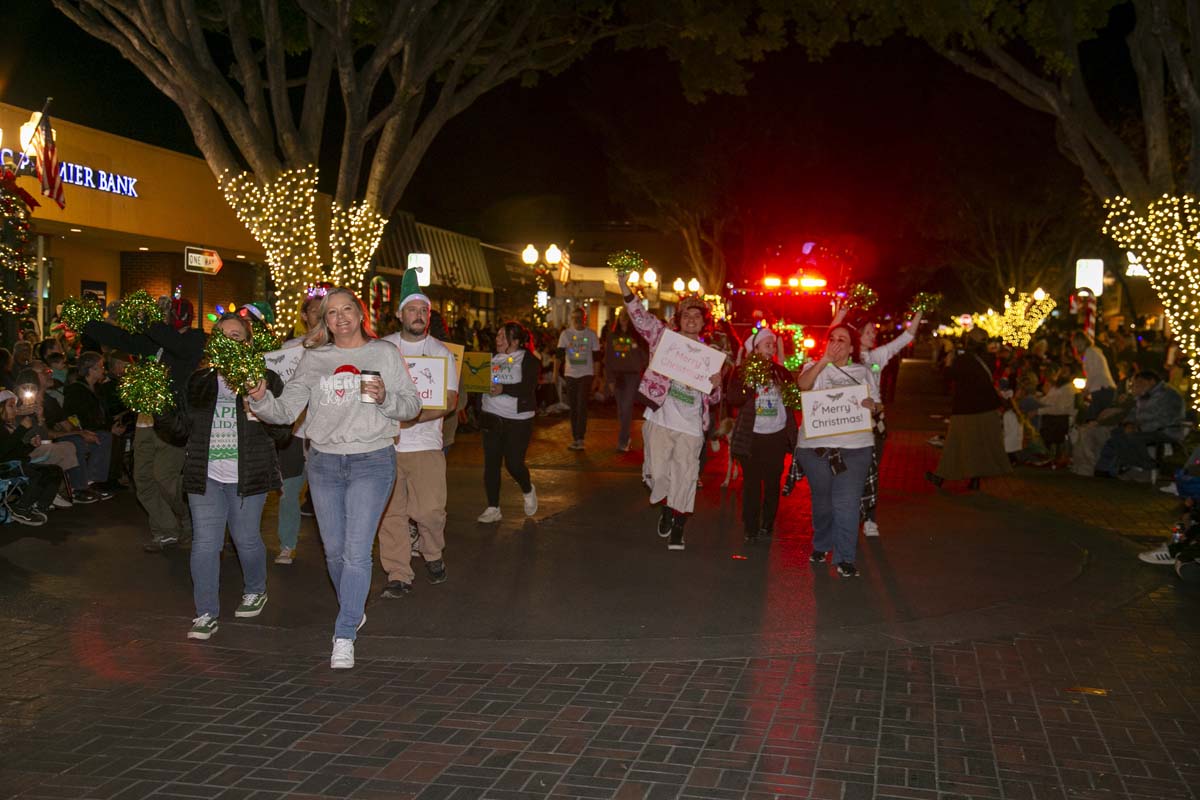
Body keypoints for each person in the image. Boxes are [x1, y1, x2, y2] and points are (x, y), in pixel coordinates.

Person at [249, 288, 421, 669]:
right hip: (324, 464)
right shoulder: (314, 358)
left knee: (357, 551)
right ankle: (353, 607)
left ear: (360, 314)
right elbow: (285, 411)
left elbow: (412, 405)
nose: (340, 318)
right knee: (334, 551)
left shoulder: (384, 354)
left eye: (347, 310)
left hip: (372, 461)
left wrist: (385, 398)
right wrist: (260, 399)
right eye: (332, 312)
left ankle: (344, 634)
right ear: (324, 320)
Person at [155, 313, 290, 641]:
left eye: (235, 335)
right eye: (221, 335)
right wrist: (159, 407)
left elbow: (283, 433)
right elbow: (180, 430)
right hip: (206, 476)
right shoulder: (199, 381)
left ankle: (255, 589)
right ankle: (205, 612)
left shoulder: (266, 378)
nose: (228, 341)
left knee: (246, 539)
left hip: (249, 475)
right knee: (205, 543)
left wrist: (261, 405)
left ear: (248, 342)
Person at [84, 298, 205, 552]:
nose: (164, 315)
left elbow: (177, 346)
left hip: (173, 422)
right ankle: (166, 530)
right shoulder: (153, 339)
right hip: (146, 420)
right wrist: (87, 323)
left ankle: (191, 517)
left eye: (166, 311)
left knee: (165, 478)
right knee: (143, 478)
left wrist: (146, 321)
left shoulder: (194, 339)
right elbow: (120, 338)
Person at [617, 272, 722, 551]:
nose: (691, 320)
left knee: (685, 477)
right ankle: (666, 505)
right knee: (656, 474)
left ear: (704, 323)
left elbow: (714, 398)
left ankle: (678, 526)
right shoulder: (663, 338)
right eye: (686, 315)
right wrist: (624, 287)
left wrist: (716, 385)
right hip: (660, 418)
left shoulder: (710, 354)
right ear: (678, 319)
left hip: (690, 425)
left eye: (697, 316)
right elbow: (640, 317)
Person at [378, 271, 459, 597]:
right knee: (391, 513)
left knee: (429, 511)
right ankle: (398, 573)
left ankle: (433, 552)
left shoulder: (440, 352)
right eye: (412, 309)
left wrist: (414, 418)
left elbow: (450, 401)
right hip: (386, 444)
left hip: (425, 443)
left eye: (423, 310)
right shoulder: (383, 349)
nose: (419, 315)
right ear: (400, 314)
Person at [795, 324, 879, 577]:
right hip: (816, 449)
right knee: (823, 502)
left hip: (855, 447)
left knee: (846, 502)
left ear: (852, 348)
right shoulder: (814, 366)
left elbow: (877, 404)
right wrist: (824, 361)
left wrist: (871, 405)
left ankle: (845, 558)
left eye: (842, 339)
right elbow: (803, 385)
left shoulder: (863, 372)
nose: (836, 343)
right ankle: (822, 544)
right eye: (832, 338)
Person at [728, 328, 797, 545]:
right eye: (766, 344)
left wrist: (789, 383)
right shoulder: (742, 372)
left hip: (776, 437)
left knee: (772, 483)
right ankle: (751, 527)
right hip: (752, 437)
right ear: (756, 348)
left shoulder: (780, 372)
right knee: (751, 484)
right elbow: (733, 398)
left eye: (773, 344)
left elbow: (794, 401)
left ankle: (767, 522)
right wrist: (749, 385)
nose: (771, 347)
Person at [856, 311, 922, 537]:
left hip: (875, 421)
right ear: (856, 335)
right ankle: (851, 515)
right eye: (867, 332)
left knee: (872, 470)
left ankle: (869, 519)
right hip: (853, 421)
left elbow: (906, 337)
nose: (873, 335)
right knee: (852, 471)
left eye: (873, 331)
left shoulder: (876, 356)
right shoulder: (847, 360)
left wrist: (919, 311)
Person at [272, 292, 325, 564]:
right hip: (294, 435)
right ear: (304, 315)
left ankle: (334, 548)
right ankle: (287, 544)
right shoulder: (288, 350)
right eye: (315, 310)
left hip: (325, 434)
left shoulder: (338, 349)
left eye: (324, 310)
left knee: (328, 495)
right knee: (289, 491)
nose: (320, 314)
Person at [926, 327, 1011, 491]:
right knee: (979, 444)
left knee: (954, 443)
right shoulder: (990, 359)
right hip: (987, 407)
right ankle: (974, 480)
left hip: (965, 408)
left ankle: (941, 477)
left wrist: (949, 363)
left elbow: (949, 376)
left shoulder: (963, 360)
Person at [477, 321, 539, 524]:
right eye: (498, 335)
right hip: (491, 417)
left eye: (504, 336)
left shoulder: (528, 359)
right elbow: (477, 380)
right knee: (491, 463)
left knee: (513, 463)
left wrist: (504, 388)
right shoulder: (490, 358)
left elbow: (527, 387)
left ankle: (527, 488)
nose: (498, 339)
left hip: (518, 420)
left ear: (516, 341)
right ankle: (493, 507)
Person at [1095, 371, 1187, 478]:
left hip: (1166, 430)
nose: (1137, 385)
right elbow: (1133, 413)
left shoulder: (1169, 395)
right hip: (1147, 429)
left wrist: (1139, 428)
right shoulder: (1144, 395)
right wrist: (1128, 423)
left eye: (1140, 382)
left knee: (1132, 437)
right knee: (1117, 434)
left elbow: (1166, 419)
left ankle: (1146, 465)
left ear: (1151, 381)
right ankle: (1104, 469)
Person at [557, 308, 601, 451]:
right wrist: (555, 374)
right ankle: (575, 437)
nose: (576, 320)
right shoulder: (565, 334)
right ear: (571, 319)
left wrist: (596, 377)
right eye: (574, 317)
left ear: (584, 318)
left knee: (582, 406)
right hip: (570, 374)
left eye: (579, 317)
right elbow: (558, 356)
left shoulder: (591, 334)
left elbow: (597, 358)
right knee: (573, 406)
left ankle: (580, 438)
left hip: (586, 374)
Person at [604, 311, 648, 452]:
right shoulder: (612, 336)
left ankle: (622, 441)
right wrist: (610, 379)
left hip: (632, 376)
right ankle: (625, 437)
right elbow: (608, 358)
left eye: (626, 317)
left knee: (626, 407)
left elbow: (645, 356)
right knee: (621, 410)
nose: (624, 319)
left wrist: (638, 363)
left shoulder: (636, 336)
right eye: (622, 316)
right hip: (617, 375)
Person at [1073, 331, 1117, 422]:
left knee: (1097, 418)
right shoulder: (1092, 352)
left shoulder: (1090, 352)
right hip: (1103, 388)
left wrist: (1086, 389)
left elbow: (1093, 373)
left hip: (1101, 389)